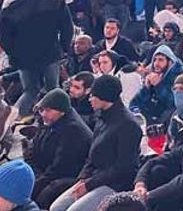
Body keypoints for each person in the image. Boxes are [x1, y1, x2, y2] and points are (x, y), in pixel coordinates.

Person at [50, 75, 142, 211]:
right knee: (56, 208)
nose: (89, 98)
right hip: (94, 178)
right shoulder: (101, 117)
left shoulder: (128, 125)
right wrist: (82, 179)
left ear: (104, 96)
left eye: (93, 95)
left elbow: (124, 167)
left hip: (115, 183)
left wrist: (89, 185)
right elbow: (91, 156)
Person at [0, 0, 73, 118]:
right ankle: (59, 122)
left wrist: (13, 54)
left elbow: (2, 35)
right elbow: (67, 27)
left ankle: (11, 121)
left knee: (30, 90)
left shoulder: (10, 4)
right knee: (53, 90)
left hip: (24, 57)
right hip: (50, 52)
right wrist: (64, 48)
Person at [24, 89, 93, 209]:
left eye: (48, 111)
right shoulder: (50, 120)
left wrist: (35, 183)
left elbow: (60, 168)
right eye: (41, 110)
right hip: (43, 171)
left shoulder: (73, 131)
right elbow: (32, 149)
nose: (43, 114)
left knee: (40, 195)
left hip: (65, 177)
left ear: (62, 112)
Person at [130, 46, 183, 126]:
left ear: (170, 62)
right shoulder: (153, 75)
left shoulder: (180, 76)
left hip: (169, 118)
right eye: (154, 60)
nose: (156, 64)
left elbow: (174, 103)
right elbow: (135, 101)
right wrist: (147, 89)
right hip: (152, 116)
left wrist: (159, 86)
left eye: (161, 60)